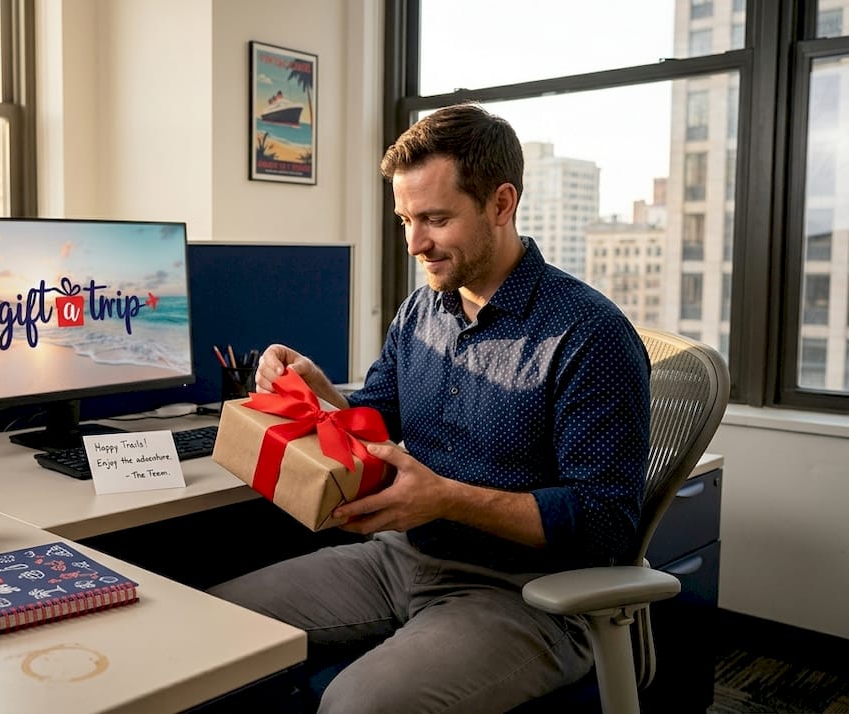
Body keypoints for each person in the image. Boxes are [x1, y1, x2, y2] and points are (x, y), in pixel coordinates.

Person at [208, 102, 651, 713]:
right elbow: (376, 420)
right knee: (213, 623)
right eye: (405, 220)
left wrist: (446, 498)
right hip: (404, 557)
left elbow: (606, 520)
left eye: (436, 219)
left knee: (356, 706)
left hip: (527, 593)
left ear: (501, 204)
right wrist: (317, 390)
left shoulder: (589, 334)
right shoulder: (422, 311)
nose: (415, 243)